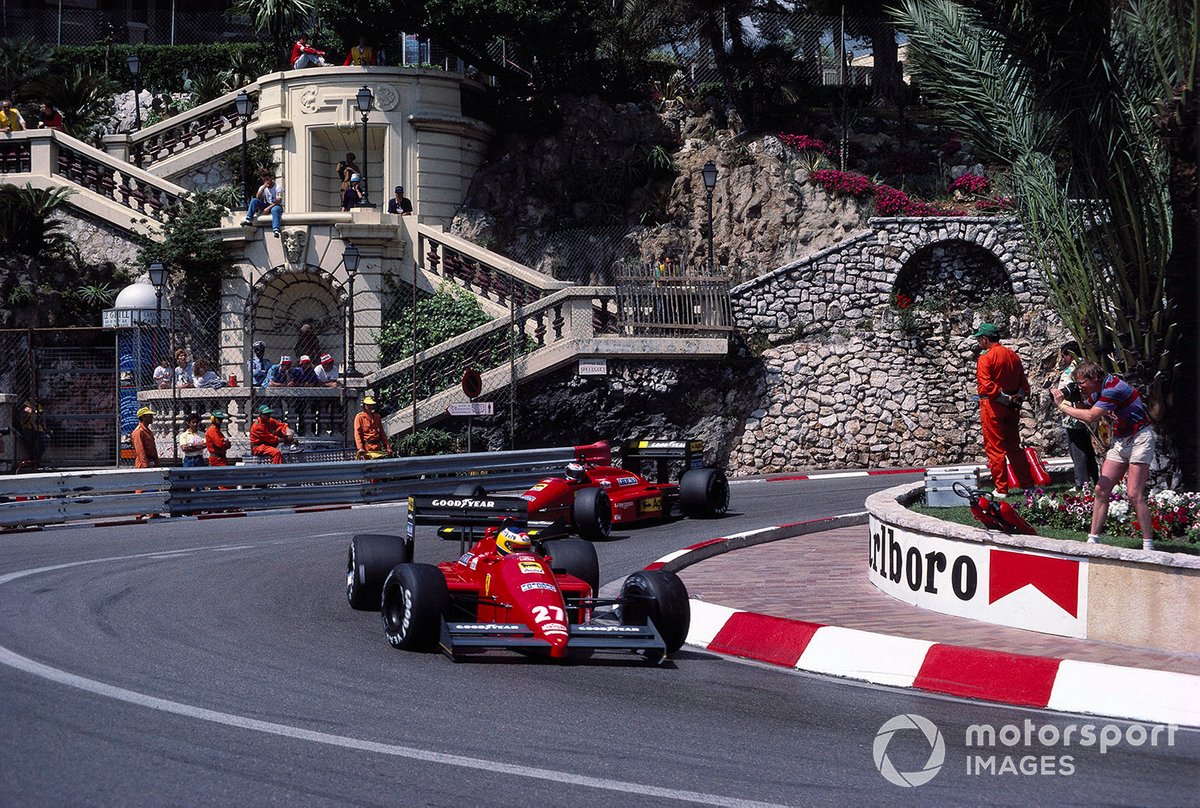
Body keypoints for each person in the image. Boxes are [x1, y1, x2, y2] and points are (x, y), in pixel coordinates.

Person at [1052, 361, 1157, 551]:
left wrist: (1062, 406)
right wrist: (1076, 398)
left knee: (1134, 493)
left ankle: (1148, 544)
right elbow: (1087, 406)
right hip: (1121, 439)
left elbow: (1092, 416)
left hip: (1140, 437)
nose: (1081, 387)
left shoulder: (1113, 389)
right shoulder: (1097, 390)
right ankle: (1093, 539)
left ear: (1094, 378)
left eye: (1082, 383)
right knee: (1101, 489)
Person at [973, 322, 1033, 498]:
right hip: (1013, 408)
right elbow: (1023, 384)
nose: (978, 342)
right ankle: (1028, 485)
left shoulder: (986, 358)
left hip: (993, 407)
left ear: (985, 339)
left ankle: (1001, 489)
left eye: (979, 339)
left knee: (995, 449)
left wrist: (1005, 400)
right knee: (1014, 447)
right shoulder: (1012, 355)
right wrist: (1017, 399)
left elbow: (986, 386)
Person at [1055, 341, 1098, 490]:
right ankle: (1094, 479)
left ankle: (1082, 483)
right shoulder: (1087, 366)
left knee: (1077, 450)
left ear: (1068, 354)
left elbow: (1069, 391)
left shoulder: (1073, 371)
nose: (1063, 359)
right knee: (1089, 450)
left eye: (1064, 355)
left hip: (1074, 415)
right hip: (1086, 412)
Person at [244, 173, 284, 237]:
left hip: (276, 205)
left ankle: (276, 229)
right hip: (267, 204)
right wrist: (263, 188)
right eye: (264, 180)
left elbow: (278, 201)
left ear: (271, 178)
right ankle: (249, 219)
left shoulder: (278, 187)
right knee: (254, 200)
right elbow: (258, 197)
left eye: (267, 179)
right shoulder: (263, 187)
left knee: (274, 209)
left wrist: (268, 208)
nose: (266, 181)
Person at [16, 400, 50, 465]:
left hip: (38, 428)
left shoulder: (38, 405)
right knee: (31, 442)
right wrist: (32, 412)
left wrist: (45, 428)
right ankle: (34, 459)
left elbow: (42, 418)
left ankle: (37, 459)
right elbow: (25, 413)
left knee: (45, 439)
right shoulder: (26, 404)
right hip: (28, 427)